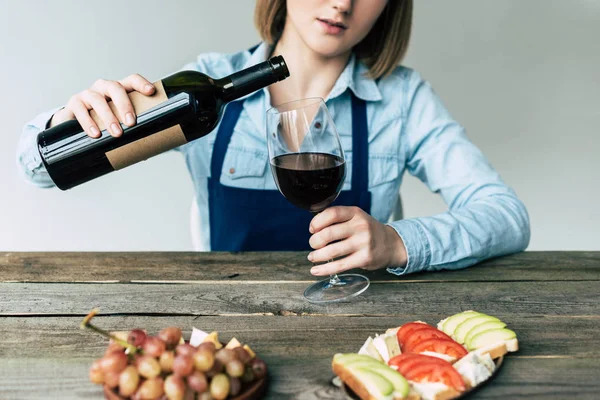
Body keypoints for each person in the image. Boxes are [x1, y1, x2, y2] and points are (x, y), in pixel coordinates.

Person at [16, 0, 530, 278]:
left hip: (354, 326)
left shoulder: (402, 99)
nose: (342, 3)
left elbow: (506, 216)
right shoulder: (202, 86)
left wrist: (397, 243)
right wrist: (75, 118)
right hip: (226, 332)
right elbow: (38, 170)